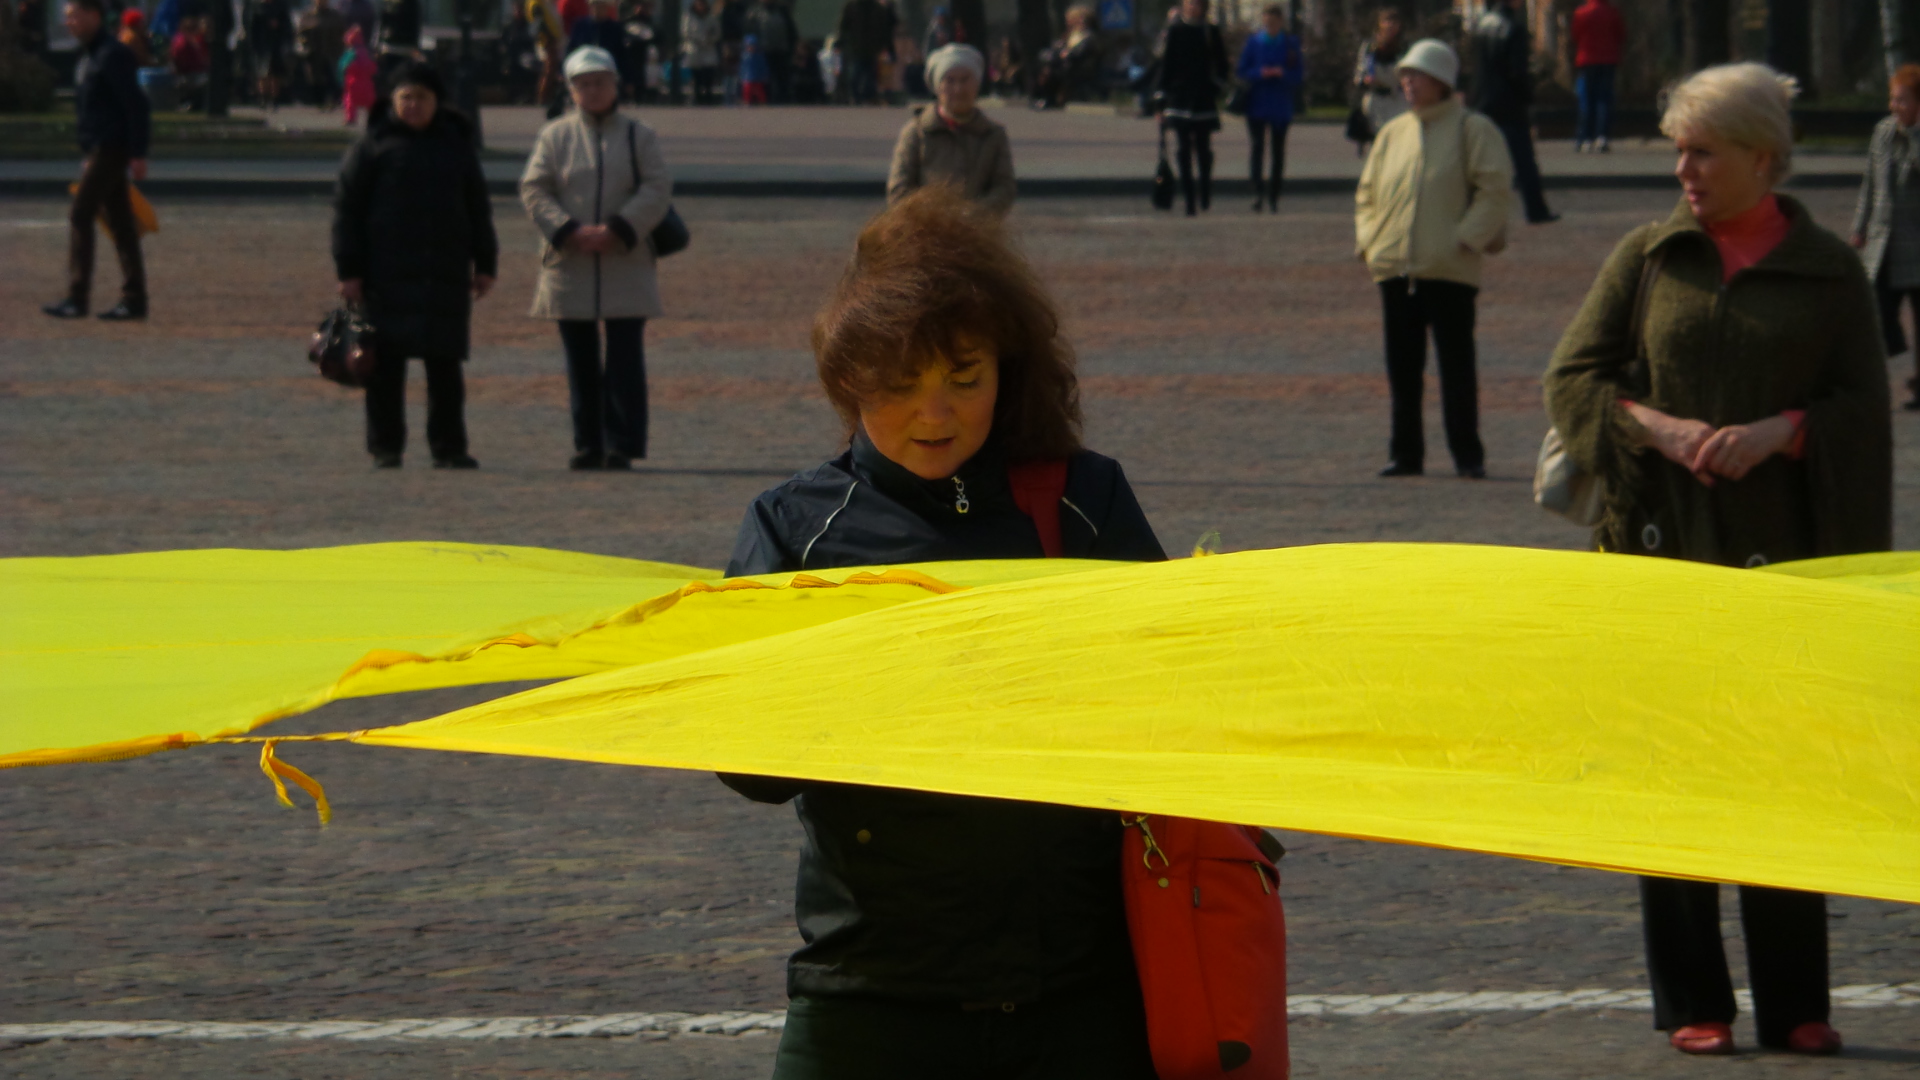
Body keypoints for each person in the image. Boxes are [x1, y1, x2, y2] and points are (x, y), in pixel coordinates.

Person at [721, 185, 1165, 1080]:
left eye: (966, 380)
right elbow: (747, 764)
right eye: (901, 385)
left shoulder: (1083, 499)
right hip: (870, 994)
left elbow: (1171, 700)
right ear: (849, 382)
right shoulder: (796, 527)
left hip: (1077, 996)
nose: (936, 414)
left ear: (1009, 371)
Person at [1544, 62, 1891, 1058]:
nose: (1684, 170)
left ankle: (1795, 1001)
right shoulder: (1650, 255)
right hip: (1662, 564)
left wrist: (1785, 432)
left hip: (1784, 573)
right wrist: (1656, 428)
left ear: (1762, 157)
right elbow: (1573, 375)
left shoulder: (1830, 273)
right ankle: (1693, 997)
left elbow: (1865, 413)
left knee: (1784, 783)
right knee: (1674, 779)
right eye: (1679, 152)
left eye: (1703, 152)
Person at [1355, 39, 1512, 479]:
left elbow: (1494, 190)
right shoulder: (1392, 133)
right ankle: (1405, 453)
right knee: (1402, 369)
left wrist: (1466, 239)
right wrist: (1371, 241)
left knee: (1456, 366)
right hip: (1396, 268)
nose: (1407, 82)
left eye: (1417, 75)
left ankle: (1467, 454)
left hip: (1450, 269)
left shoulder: (1473, 129)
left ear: (1442, 82)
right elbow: (1367, 193)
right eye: (1405, 75)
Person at [332, 61, 498, 470]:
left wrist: (485, 262)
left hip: (444, 272)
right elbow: (347, 212)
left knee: (445, 367)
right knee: (385, 367)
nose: (414, 105)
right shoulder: (372, 147)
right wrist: (348, 270)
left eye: (422, 97)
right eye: (406, 97)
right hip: (385, 274)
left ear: (437, 102)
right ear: (392, 101)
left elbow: (478, 208)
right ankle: (385, 447)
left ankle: (449, 447)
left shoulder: (456, 146)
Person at [520, 45, 673, 470]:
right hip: (570, 261)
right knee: (580, 360)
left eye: (600, 82)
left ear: (615, 85)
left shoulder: (639, 134)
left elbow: (657, 187)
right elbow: (535, 188)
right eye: (583, 84)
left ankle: (622, 443)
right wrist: (567, 229)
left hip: (625, 257)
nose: (592, 91)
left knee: (626, 358)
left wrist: (619, 228)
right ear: (570, 90)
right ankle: (587, 443)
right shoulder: (554, 135)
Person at [42, 0, 151, 322]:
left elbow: (136, 105)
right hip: (100, 149)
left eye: (74, 17)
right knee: (121, 224)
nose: (69, 23)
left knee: (80, 213)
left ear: (93, 15)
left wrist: (138, 153)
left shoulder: (112, 54)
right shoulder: (90, 55)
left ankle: (78, 297)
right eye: (67, 18)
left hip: (112, 147)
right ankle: (134, 299)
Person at [1851, 63, 1920, 412]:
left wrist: (1915, 134)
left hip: (1916, 245)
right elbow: (1870, 183)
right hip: (1884, 242)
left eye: (1902, 100)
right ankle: (1884, 370)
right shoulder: (1882, 132)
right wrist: (1860, 226)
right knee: (1876, 312)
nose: (1894, 106)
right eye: (1892, 99)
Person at [888, 44, 1013, 214]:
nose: (958, 89)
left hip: (977, 226)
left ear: (977, 85)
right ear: (937, 87)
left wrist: (975, 213)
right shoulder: (916, 132)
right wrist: (935, 217)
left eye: (965, 80)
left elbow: (1004, 189)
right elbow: (898, 190)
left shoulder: (993, 135)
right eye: (950, 80)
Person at [1468, 0, 1555, 224]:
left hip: (1482, 100)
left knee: (1477, 160)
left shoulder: (1481, 25)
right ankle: (1536, 209)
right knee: (1524, 160)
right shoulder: (1513, 29)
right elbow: (1517, 71)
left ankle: (1469, 208)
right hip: (1508, 103)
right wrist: (1527, 95)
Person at [1155, 0, 1226, 216]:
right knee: (1183, 149)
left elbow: (1222, 62)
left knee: (1203, 148)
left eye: (1197, 3)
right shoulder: (1175, 31)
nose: (1193, 7)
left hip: (1203, 96)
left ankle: (1204, 189)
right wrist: (1160, 98)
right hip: (1179, 96)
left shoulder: (1210, 31)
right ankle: (1189, 198)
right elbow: (1166, 64)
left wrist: (1217, 86)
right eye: (1189, 3)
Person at [1235, 3, 1300, 213]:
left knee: (1278, 151)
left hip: (1280, 104)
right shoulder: (1254, 43)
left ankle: (1274, 194)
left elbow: (1298, 73)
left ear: (1280, 22)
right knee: (1257, 148)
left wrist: (1283, 74)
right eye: (1267, 22)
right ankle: (1257, 191)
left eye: (1274, 22)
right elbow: (1242, 70)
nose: (1270, 25)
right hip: (1257, 103)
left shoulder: (1290, 44)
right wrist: (1260, 73)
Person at [1348, 6, 1405, 155]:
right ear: (1380, 24)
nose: (1390, 26)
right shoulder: (1370, 48)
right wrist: (1365, 79)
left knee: (1397, 141)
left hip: (1397, 100)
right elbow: (1361, 72)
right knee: (1378, 143)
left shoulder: (1404, 48)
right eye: (1387, 21)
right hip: (1376, 99)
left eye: (1394, 22)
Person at [1570, 0, 1622, 152]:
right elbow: (1620, 35)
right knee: (1604, 99)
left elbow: (1576, 35)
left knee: (1587, 99)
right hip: (1608, 59)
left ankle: (1585, 137)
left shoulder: (1581, 13)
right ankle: (1602, 136)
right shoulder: (1612, 13)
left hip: (1587, 60)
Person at [568, 0, 630, 91]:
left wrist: (628, 80)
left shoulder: (615, 28)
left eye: (601, 6)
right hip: (583, 70)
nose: (597, 9)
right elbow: (572, 49)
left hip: (606, 72)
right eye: (595, 5)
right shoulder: (580, 26)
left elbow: (622, 55)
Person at [835, 0, 886, 103]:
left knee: (868, 74)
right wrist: (840, 40)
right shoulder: (853, 7)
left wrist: (883, 44)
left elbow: (883, 28)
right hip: (858, 47)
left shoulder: (876, 9)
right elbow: (843, 26)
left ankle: (866, 96)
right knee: (858, 73)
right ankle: (859, 96)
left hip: (868, 48)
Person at [298, 0, 346, 106]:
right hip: (314, 56)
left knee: (332, 81)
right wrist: (305, 46)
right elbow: (300, 35)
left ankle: (333, 100)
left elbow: (342, 34)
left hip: (332, 55)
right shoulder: (308, 16)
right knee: (316, 82)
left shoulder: (335, 16)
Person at [745, 0, 796, 101]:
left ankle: (783, 98)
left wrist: (792, 46)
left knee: (781, 75)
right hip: (763, 51)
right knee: (765, 76)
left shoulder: (782, 11)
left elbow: (791, 30)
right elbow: (750, 30)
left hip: (781, 49)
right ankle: (767, 98)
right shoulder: (756, 12)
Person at [248, 0, 291, 107]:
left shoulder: (280, 7)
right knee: (262, 73)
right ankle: (263, 97)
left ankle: (274, 98)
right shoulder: (256, 7)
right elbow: (251, 27)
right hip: (261, 45)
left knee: (275, 73)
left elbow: (287, 26)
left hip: (276, 44)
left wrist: (279, 26)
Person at [680, 0, 720, 104]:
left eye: (702, 4)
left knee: (708, 75)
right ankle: (697, 97)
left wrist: (710, 39)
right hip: (694, 50)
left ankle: (708, 97)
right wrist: (698, 39)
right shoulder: (689, 17)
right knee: (696, 76)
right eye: (699, 4)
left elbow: (717, 32)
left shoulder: (711, 17)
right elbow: (685, 32)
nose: (701, 7)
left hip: (708, 49)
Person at [339, 24, 377, 122]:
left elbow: (343, 67)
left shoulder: (350, 53)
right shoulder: (366, 52)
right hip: (366, 81)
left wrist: (341, 78)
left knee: (350, 100)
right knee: (369, 101)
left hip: (352, 81)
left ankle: (350, 118)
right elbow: (372, 67)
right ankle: (374, 118)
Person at [738, 31, 768, 102]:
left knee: (760, 92)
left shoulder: (759, 56)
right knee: (747, 92)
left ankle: (762, 102)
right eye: (749, 46)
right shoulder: (744, 57)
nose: (751, 48)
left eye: (753, 46)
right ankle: (747, 102)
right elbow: (742, 68)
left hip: (758, 78)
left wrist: (765, 76)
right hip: (747, 78)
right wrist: (741, 76)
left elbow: (763, 67)